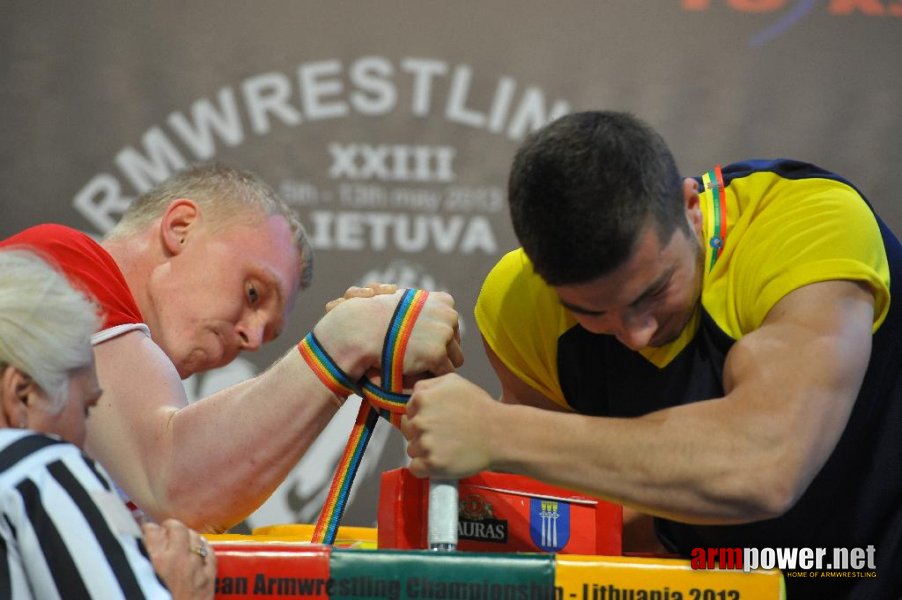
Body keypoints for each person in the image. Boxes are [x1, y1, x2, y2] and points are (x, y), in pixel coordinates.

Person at [399, 111, 900, 599]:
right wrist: (408, 396)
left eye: (653, 293)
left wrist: (494, 431)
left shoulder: (806, 226)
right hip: (715, 581)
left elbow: (764, 468)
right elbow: (591, 520)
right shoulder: (519, 305)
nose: (636, 334)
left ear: (690, 207)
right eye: (592, 313)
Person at [0, 163, 462, 532]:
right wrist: (349, 338)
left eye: (270, 332)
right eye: (254, 293)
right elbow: (175, 487)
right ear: (180, 227)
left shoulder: (117, 423)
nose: (254, 338)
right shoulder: (58, 261)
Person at [0, 248, 216, 599]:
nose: (85, 438)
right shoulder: (40, 467)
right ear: (22, 395)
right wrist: (178, 588)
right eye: (86, 408)